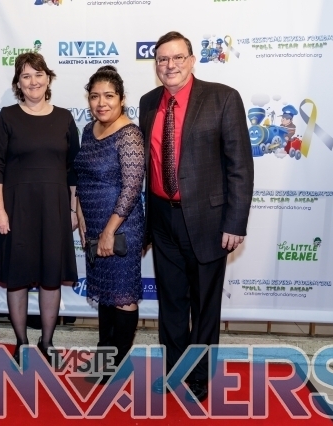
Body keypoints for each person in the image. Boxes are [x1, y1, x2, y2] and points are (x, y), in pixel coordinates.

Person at [139, 31, 253, 402]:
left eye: (177, 57)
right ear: (156, 65)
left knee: (204, 305)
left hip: (208, 221)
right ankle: (174, 371)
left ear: (191, 60)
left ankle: (200, 375)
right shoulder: (148, 102)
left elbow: (240, 166)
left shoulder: (223, 98)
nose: (169, 65)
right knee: (172, 302)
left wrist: (235, 222)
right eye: (162, 59)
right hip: (162, 219)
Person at [0, 52, 79, 364]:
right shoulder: (7, 118)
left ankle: (47, 342)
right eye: (26, 76)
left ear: (48, 79)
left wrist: (73, 210)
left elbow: (74, 169)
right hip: (16, 209)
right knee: (17, 277)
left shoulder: (65, 118)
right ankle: (22, 342)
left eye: (38, 74)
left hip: (54, 209)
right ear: (18, 83)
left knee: (51, 277)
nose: (33, 81)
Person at [74, 66, 145, 374]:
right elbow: (82, 177)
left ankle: (115, 362)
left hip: (121, 228)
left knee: (122, 295)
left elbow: (131, 188)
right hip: (93, 225)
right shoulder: (89, 130)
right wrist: (80, 215)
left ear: (122, 99)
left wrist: (108, 232)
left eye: (109, 96)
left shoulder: (129, 135)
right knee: (105, 294)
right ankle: (105, 356)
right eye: (94, 96)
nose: (101, 103)